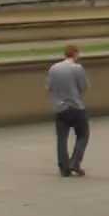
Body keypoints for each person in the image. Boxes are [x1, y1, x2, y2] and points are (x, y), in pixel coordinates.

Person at [47, 44, 91, 178]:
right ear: (75, 54)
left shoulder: (53, 69)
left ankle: (64, 167)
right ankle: (75, 162)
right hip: (75, 106)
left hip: (60, 108)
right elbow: (83, 87)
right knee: (83, 134)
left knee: (61, 138)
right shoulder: (77, 68)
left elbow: (49, 87)